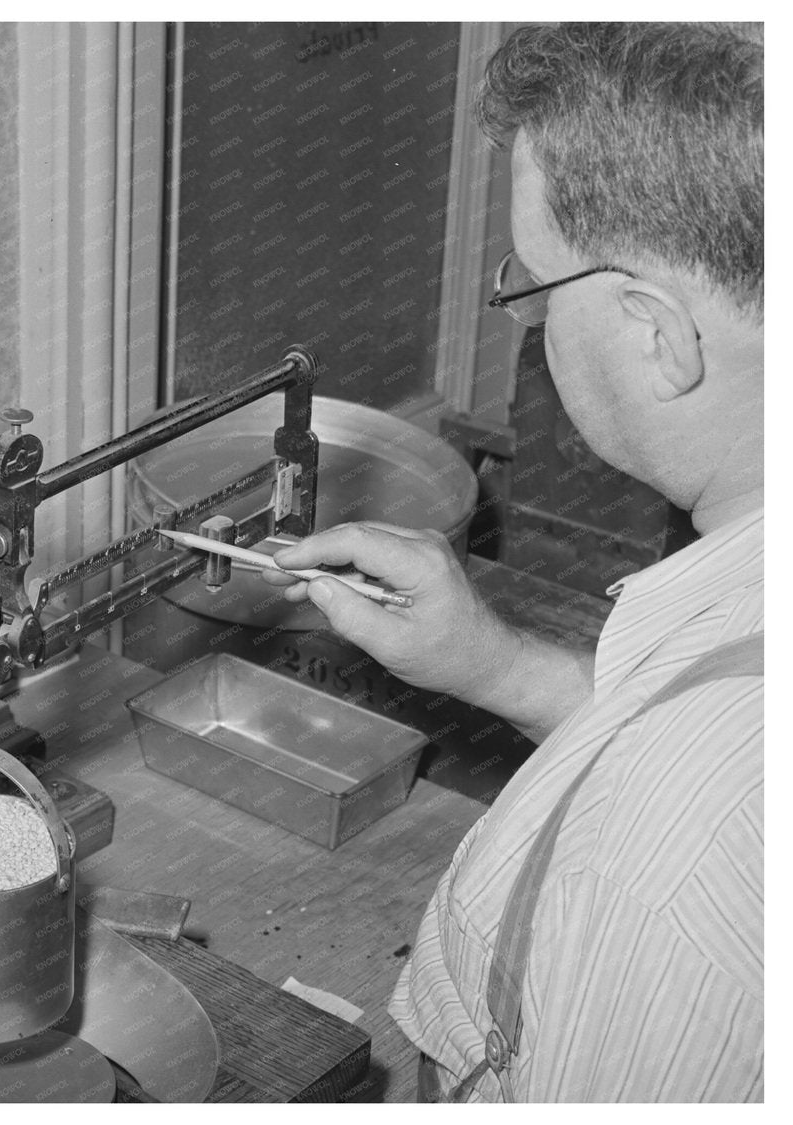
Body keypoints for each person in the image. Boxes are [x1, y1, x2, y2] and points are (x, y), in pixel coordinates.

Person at [262, 23, 763, 1102]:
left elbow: (689, 798)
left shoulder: (659, 871)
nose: (528, 317)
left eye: (534, 286)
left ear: (655, 335)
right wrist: (495, 667)